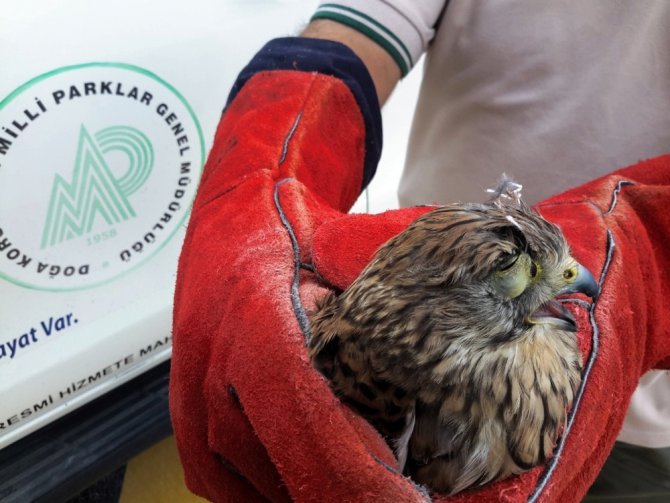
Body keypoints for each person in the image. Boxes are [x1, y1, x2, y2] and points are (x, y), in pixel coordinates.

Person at [302, 1, 670, 500]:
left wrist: (653, 248)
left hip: (645, 416)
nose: (577, 278)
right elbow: (367, 23)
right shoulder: (382, 372)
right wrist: (292, 104)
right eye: (516, 278)